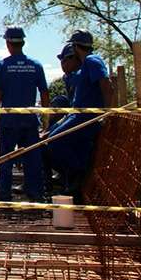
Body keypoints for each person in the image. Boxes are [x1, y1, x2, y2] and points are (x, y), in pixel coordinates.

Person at [44, 29, 113, 200]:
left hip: (86, 116)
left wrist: (108, 113)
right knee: (53, 140)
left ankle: (79, 176)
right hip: (77, 114)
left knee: (55, 143)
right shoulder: (85, 66)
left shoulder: (92, 60)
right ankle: (72, 181)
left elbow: (106, 85)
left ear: (75, 47)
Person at [0, 26, 49, 202]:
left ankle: (5, 195)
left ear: (8, 43)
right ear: (23, 42)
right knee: (33, 159)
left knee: (6, 159)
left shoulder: (2, 66)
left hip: (8, 121)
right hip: (29, 121)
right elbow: (44, 93)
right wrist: (46, 116)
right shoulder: (35, 65)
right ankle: (35, 194)